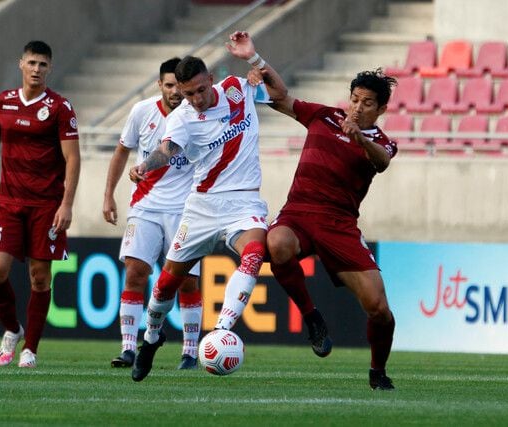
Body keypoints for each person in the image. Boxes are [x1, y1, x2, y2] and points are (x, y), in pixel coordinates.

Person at [231, 31, 398, 390]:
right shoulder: (324, 116)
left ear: (381, 109)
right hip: (299, 214)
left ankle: (377, 371)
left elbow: (383, 163)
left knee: (379, 310)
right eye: (354, 99)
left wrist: (360, 138)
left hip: (339, 226)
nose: (357, 107)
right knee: (275, 245)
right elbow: (281, 97)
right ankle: (312, 317)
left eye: (367, 103)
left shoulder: (381, 142)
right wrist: (254, 59)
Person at [128, 52, 272, 382]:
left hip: (244, 202)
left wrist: (256, 63)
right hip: (202, 207)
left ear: (210, 79)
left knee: (254, 254)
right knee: (166, 284)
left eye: (199, 91)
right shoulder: (181, 117)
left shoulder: (237, 88)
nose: (195, 99)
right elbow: (167, 150)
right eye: (188, 93)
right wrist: (144, 166)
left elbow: (277, 91)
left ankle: (221, 331)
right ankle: (150, 338)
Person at [0, 40, 80, 368]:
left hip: (46, 205)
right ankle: (12, 330)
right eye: (32, 63)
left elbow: (73, 160)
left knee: (40, 278)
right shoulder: (4, 102)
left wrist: (66, 204)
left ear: (49, 68)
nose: (36, 69)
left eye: (43, 64)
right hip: (8, 202)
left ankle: (30, 349)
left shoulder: (60, 107)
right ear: (21, 64)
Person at [103, 57, 203, 370]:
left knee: (186, 282)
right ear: (159, 84)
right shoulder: (141, 112)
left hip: (186, 211)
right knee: (135, 272)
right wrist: (108, 195)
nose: (175, 91)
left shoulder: (197, 116)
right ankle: (129, 347)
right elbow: (121, 150)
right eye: (169, 85)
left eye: (179, 86)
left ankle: (189, 352)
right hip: (144, 207)